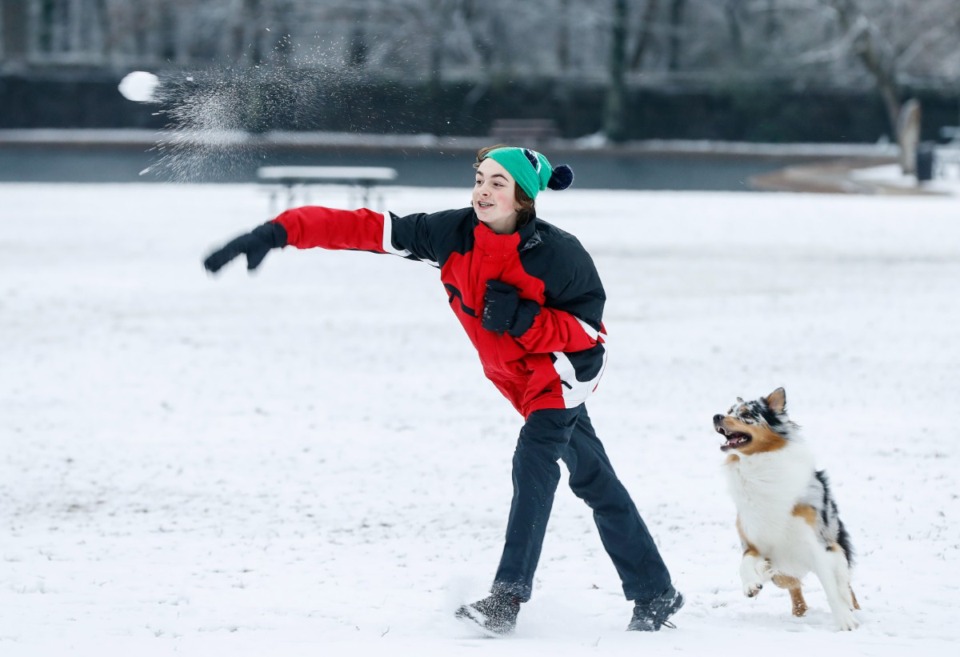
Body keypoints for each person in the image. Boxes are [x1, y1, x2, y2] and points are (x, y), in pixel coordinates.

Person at [202, 145, 683, 634]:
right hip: (512, 379)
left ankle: (507, 597)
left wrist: (526, 320)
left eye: (499, 182)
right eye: (480, 178)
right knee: (593, 478)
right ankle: (656, 592)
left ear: (523, 197)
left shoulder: (559, 255)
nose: (483, 190)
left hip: (560, 378)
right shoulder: (450, 234)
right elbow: (362, 228)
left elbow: (590, 333)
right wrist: (279, 231)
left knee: (534, 462)